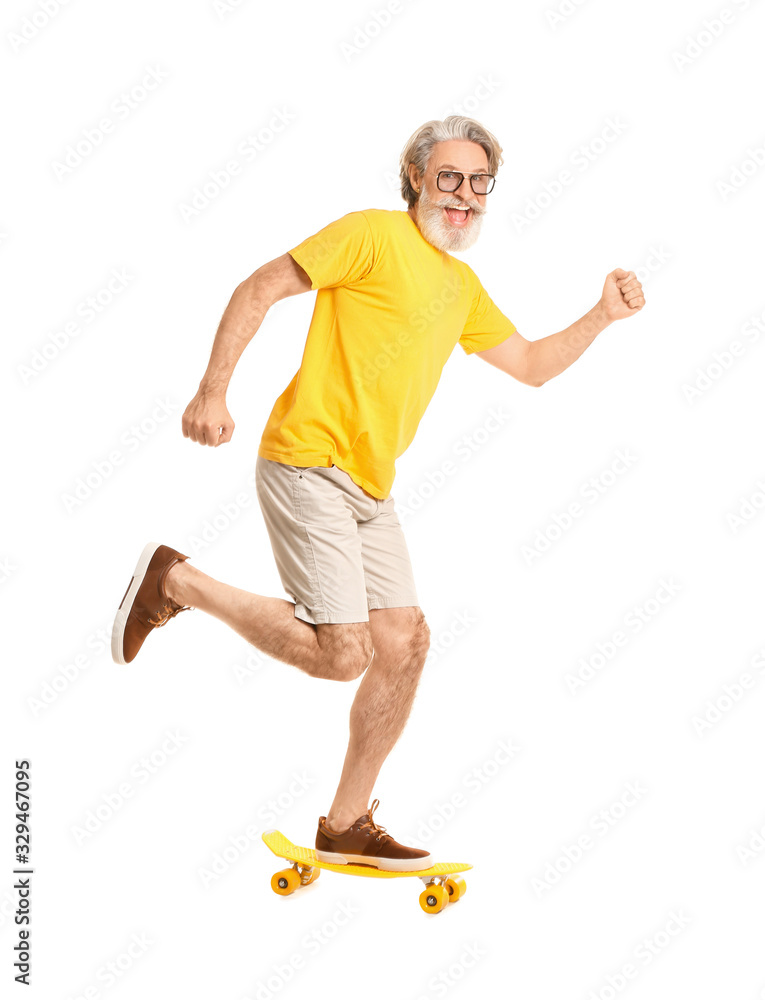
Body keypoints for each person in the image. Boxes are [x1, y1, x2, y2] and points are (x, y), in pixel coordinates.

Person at [111, 115, 645, 872]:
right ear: (417, 179)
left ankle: (346, 823)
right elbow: (258, 286)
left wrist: (601, 316)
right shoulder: (369, 234)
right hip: (305, 459)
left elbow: (527, 363)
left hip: (368, 487)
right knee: (342, 654)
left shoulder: (461, 287)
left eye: (479, 182)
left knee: (405, 642)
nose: (464, 196)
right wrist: (213, 391)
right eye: (450, 178)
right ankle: (177, 580)